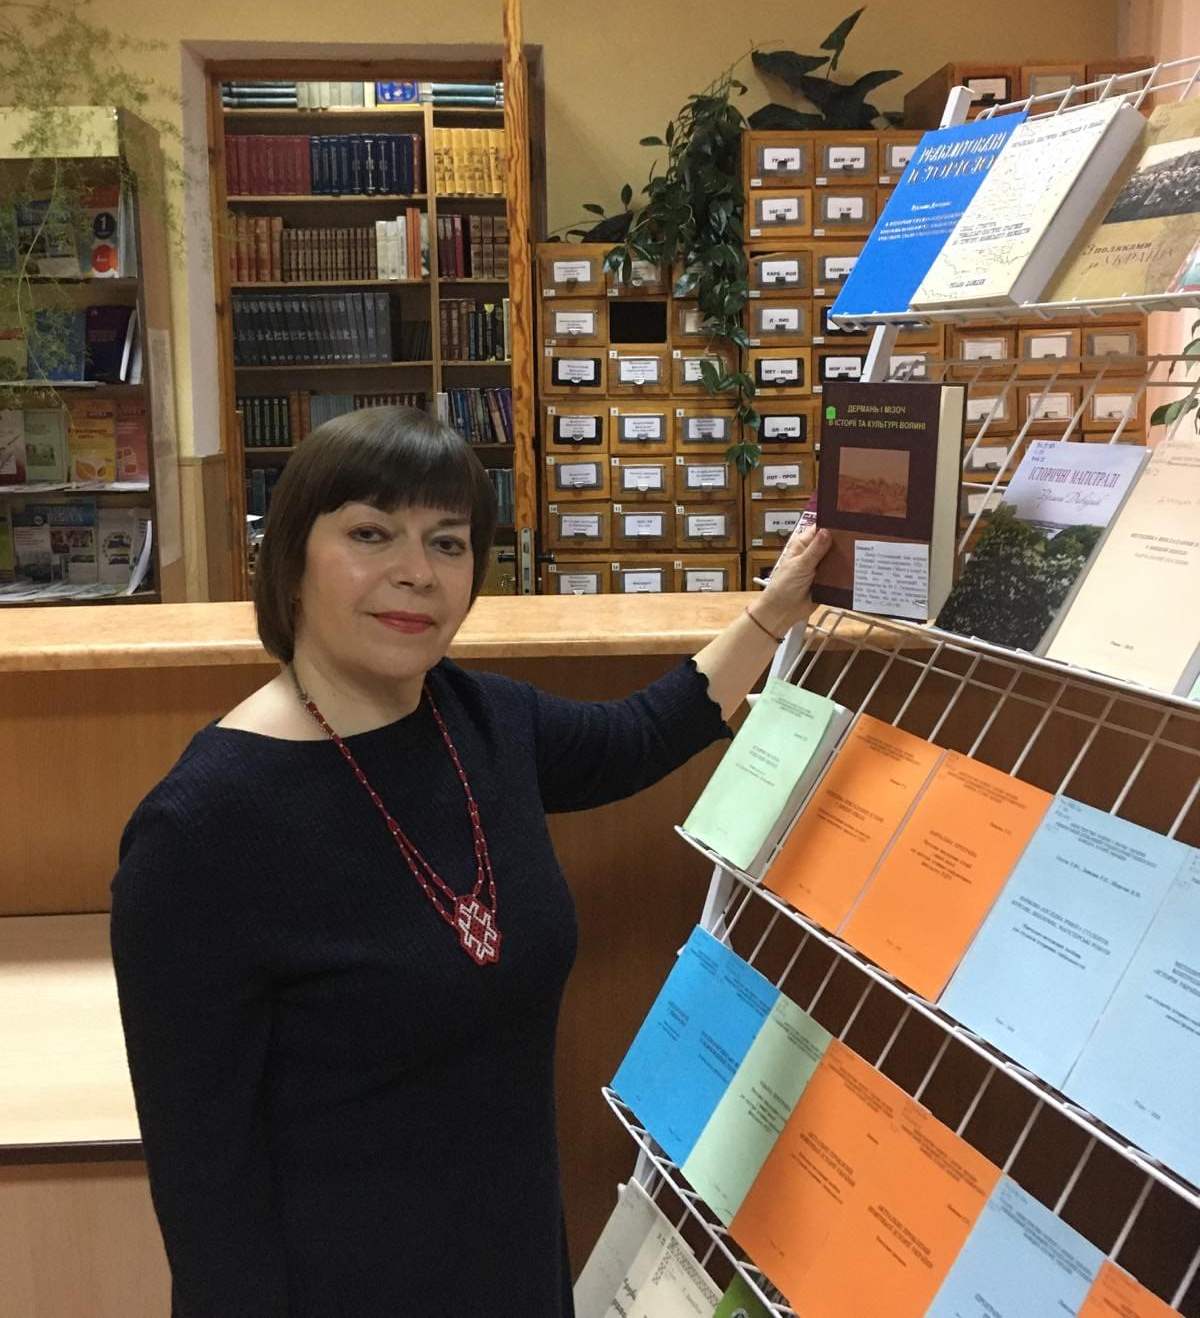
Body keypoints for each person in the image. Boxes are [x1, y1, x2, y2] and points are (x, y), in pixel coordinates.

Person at [110, 405, 830, 1317]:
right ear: (290, 560)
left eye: (447, 543)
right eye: (371, 533)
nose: (416, 571)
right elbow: (204, 1186)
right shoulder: (201, 830)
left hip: (513, 1267)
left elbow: (643, 734)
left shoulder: (483, 722)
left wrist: (774, 610)